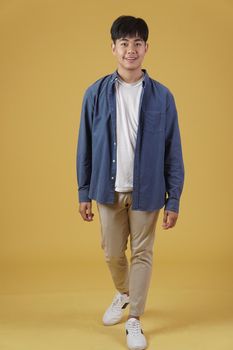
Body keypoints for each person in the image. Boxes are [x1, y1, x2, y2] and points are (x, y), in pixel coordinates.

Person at [76, 15, 185, 350]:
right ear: (113, 48)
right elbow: (85, 145)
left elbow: (173, 149)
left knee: (142, 253)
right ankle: (123, 293)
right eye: (124, 43)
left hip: (149, 190)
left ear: (146, 48)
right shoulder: (94, 94)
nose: (131, 50)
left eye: (138, 43)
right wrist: (83, 191)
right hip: (107, 189)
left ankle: (134, 319)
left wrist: (174, 198)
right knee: (111, 252)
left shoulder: (162, 97)